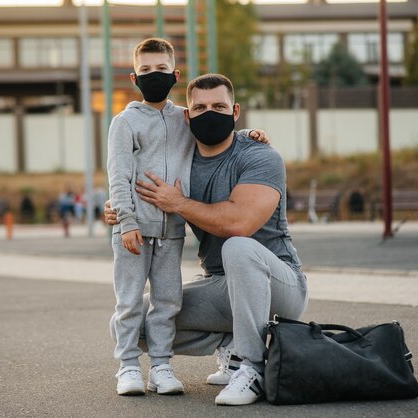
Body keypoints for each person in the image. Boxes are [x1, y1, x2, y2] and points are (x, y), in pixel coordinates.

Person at [107, 73, 307, 406]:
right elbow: (135, 184)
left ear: (235, 110)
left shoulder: (260, 155)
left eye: (219, 106)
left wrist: (179, 203)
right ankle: (231, 343)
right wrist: (119, 209)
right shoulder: (181, 165)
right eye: (200, 107)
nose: (209, 113)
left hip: (279, 288)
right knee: (130, 324)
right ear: (187, 116)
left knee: (239, 246)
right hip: (221, 288)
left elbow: (240, 223)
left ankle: (252, 365)